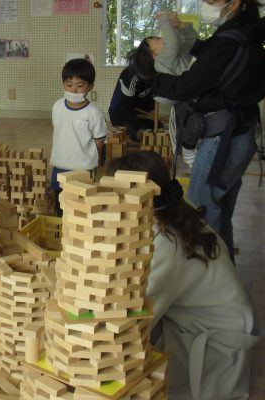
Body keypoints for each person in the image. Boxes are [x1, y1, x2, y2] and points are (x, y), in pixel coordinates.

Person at [107, 151, 260, 400]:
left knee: (123, 356)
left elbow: (132, 319)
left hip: (218, 346)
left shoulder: (164, 246)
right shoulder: (171, 212)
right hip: (214, 321)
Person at [152, 0, 265, 262]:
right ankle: (224, 269)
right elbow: (207, 54)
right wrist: (185, 32)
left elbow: (186, 86)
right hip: (238, 133)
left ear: (234, 3)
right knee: (218, 207)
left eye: (211, 1)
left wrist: (150, 75)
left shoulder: (231, 40)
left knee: (202, 207)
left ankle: (210, 273)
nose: (205, 5)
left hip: (224, 137)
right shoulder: (242, 33)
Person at [50, 58, 107, 216]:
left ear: (90, 87)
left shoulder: (94, 113)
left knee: (82, 204)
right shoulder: (57, 107)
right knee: (60, 201)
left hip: (84, 167)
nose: (73, 90)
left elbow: (99, 140)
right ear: (63, 83)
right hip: (60, 164)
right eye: (69, 85)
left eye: (79, 86)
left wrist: (96, 163)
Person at [108, 52, 157, 142]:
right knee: (138, 135)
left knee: (156, 132)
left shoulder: (155, 72)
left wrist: (152, 110)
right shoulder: (131, 76)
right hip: (121, 112)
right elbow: (126, 106)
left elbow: (151, 95)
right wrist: (137, 128)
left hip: (140, 111)